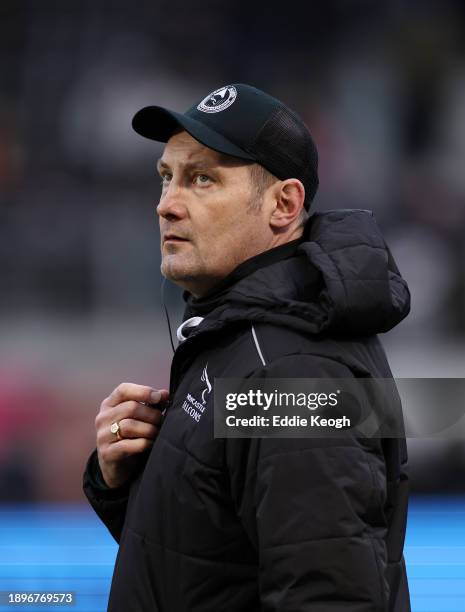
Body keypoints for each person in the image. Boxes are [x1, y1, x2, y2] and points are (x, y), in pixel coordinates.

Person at [83, 83, 411, 611]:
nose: (167, 205)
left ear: (284, 204)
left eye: (202, 179)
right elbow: (209, 570)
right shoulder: (244, 337)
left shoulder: (293, 372)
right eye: (166, 178)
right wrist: (120, 482)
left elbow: (331, 598)